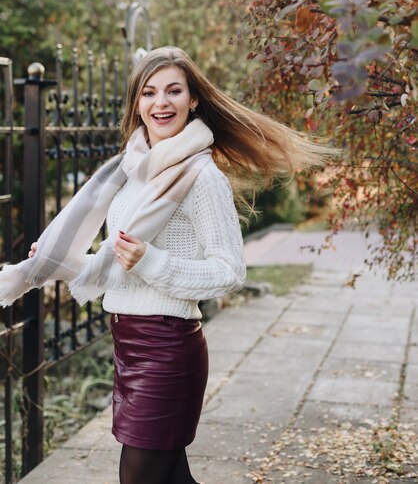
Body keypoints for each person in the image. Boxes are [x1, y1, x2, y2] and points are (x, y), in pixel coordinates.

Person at [1, 46, 339, 484]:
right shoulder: (128, 173)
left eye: (174, 91)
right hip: (129, 341)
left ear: (192, 99)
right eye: (149, 92)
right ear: (137, 104)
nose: (161, 102)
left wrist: (151, 261)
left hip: (168, 348)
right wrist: (58, 265)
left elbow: (230, 272)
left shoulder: (203, 178)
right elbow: (118, 265)